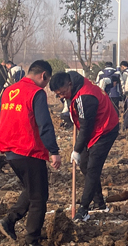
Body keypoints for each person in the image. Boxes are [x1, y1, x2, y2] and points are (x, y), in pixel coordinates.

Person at [0, 61, 61, 246]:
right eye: (47, 81)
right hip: (28, 149)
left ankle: (9, 221)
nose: (46, 86)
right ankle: (32, 241)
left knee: (31, 190)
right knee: (39, 197)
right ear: (44, 75)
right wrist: (54, 151)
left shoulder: (9, 90)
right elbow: (44, 124)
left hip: (9, 149)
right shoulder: (36, 93)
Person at [49, 69, 120, 222]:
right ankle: (100, 203)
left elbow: (86, 126)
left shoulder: (85, 96)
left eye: (63, 93)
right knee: (85, 165)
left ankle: (84, 210)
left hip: (105, 129)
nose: (62, 97)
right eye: (58, 95)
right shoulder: (74, 85)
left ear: (69, 84)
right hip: (93, 128)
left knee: (93, 167)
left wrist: (76, 149)